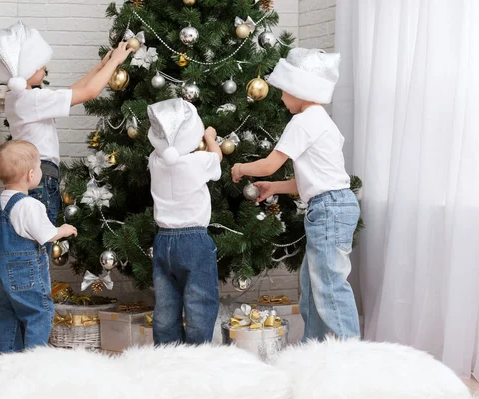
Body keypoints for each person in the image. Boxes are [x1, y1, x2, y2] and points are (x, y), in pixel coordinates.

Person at [231, 48, 361, 340]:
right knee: (314, 285)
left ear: (301, 89)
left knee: (328, 284)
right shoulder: (322, 121)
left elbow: (269, 164)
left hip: (328, 208)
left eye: (285, 90)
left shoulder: (303, 122)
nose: (280, 96)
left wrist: (240, 167)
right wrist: (275, 187)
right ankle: (313, 347)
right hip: (334, 203)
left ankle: (353, 353)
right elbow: (314, 179)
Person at [0, 21, 133, 255]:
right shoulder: (33, 101)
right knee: (41, 241)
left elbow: (72, 91)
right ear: (26, 69)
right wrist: (114, 62)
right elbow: (89, 93)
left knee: (34, 238)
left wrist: (99, 68)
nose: (45, 68)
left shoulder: (18, 97)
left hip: (36, 173)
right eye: (40, 64)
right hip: (41, 175)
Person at [0, 140, 77, 354]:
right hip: (23, 273)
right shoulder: (31, 205)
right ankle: (33, 362)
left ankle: (5, 362)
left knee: (5, 316)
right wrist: (63, 229)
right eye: (39, 169)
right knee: (38, 312)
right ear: (30, 174)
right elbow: (47, 235)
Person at [147, 98, 223, 345]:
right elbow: (217, 159)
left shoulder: (154, 161)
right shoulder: (198, 161)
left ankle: (168, 357)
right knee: (199, 302)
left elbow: (166, 151)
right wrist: (211, 138)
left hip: (163, 240)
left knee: (166, 306)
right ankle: (197, 356)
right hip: (194, 241)